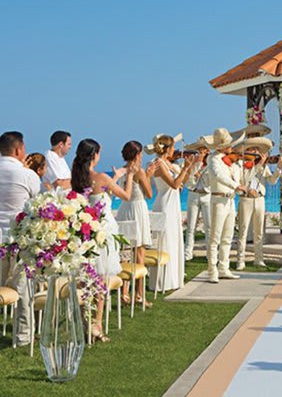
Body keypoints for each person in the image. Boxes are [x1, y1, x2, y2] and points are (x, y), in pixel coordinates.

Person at [71, 138, 135, 342]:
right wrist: (130, 176)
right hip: (103, 234)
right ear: (94, 155)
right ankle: (96, 324)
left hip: (86, 232)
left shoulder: (77, 178)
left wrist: (113, 178)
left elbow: (98, 193)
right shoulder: (100, 177)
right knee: (100, 281)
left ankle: (84, 322)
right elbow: (126, 195)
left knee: (86, 280)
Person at [0, 131, 41, 347]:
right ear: (18, 150)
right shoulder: (27, 175)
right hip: (17, 239)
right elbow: (36, 203)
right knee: (23, 290)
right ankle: (23, 336)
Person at [145, 133, 195, 291]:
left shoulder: (168, 163)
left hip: (173, 205)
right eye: (173, 147)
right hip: (164, 205)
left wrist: (190, 168)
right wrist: (185, 168)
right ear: (167, 148)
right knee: (165, 241)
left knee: (174, 240)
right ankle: (162, 281)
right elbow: (174, 184)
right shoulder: (158, 164)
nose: (175, 150)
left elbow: (182, 182)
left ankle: (174, 279)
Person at [116, 141, 158, 306]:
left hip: (124, 210)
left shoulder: (121, 171)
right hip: (138, 210)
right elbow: (148, 193)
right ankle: (139, 294)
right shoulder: (138, 171)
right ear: (137, 155)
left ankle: (124, 293)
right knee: (139, 253)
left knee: (124, 253)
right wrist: (148, 176)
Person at [203, 128, 245, 284]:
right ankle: (212, 270)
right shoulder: (213, 159)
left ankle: (224, 268)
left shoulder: (230, 162)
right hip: (218, 200)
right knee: (215, 237)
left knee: (227, 237)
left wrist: (238, 165)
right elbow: (217, 176)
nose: (231, 147)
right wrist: (236, 185)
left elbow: (237, 177)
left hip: (230, 200)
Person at [235, 137, 282, 270]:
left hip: (260, 200)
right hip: (246, 199)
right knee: (243, 230)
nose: (255, 151)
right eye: (252, 149)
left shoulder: (263, 166)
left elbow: (272, 181)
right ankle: (240, 260)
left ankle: (259, 259)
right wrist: (259, 165)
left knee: (259, 231)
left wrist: (278, 168)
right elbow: (245, 180)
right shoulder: (241, 164)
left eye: (257, 149)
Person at [184, 141, 211, 261]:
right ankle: (188, 252)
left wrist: (201, 174)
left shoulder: (211, 165)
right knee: (191, 226)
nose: (201, 154)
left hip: (206, 195)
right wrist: (195, 166)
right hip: (193, 194)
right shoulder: (193, 164)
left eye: (204, 151)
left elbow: (212, 182)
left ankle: (210, 253)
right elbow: (188, 182)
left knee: (209, 226)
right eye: (200, 152)